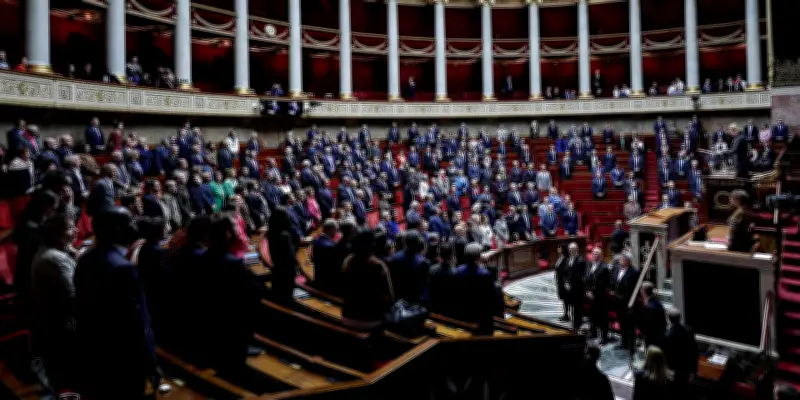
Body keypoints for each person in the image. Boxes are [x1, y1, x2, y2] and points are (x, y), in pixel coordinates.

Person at [74, 207, 158, 399]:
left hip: (96, 354)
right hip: (124, 358)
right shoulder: (122, 268)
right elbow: (137, 322)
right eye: (129, 222)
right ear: (118, 230)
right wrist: (151, 363)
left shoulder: (85, 260)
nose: (133, 225)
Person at [29, 213, 80, 394]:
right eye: (70, 228)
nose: (76, 230)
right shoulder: (54, 259)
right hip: (63, 326)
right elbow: (72, 297)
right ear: (57, 234)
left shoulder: (54, 252)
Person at [341, 228, 395, 332]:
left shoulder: (348, 261)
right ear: (372, 244)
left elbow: (343, 287)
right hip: (371, 321)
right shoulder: (378, 265)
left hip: (347, 316)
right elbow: (389, 297)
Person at [453, 243, 502, 334]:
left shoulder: (458, 270)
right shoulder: (484, 274)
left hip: (464, 311)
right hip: (481, 314)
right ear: (479, 256)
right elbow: (492, 295)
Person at [268, 206, 300, 304]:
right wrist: (297, 266)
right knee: (287, 296)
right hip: (287, 270)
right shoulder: (285, 235)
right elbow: (291, 256)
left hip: (277, 267)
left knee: (277, 293)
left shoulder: (271, 232)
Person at [663, 308, 698, 394]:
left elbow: (666, 355)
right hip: (686, 368)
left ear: (668, 319)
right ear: (680, 318)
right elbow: (694, 352)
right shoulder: (690, 330)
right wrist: (693, 371)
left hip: (673, 371)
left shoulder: (667, 335)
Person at [312, 219, 340, 294]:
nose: (336, 232)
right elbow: (333, 267)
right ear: (331, 229)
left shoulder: (316, 240)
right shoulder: (329, 246)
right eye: (336, 229)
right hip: (327, 283)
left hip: (318, 277)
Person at [640, 281, 666, 349]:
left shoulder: (648, 307)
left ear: (644, 291)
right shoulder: (658, 303)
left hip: (651, 338)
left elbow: (646, 325)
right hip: (660, 335)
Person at [553, 244, 571, 321]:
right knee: (563, 299)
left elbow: (566, 272)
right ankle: (565, 314)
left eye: (559, 247)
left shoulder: (566, 259)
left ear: (563, 249)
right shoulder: (560, 258)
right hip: (560, 281)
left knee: (566, 299)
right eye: (558, 247)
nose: (558, 248)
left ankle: (566, 315)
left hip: (564, 282)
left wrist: (566, 282)